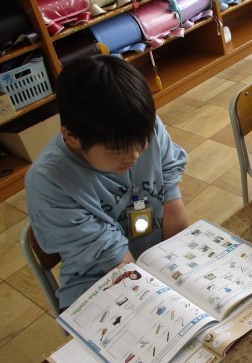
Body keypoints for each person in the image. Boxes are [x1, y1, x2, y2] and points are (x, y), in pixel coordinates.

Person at [25, 55, 189, 310]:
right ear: (72, 137)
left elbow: (173, 208)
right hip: (97, 282)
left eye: (142, 142)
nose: (134, 156)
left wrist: (180, 271)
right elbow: (115, 259)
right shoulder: (50, 180)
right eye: (116, 150)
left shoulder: (141, 126)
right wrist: (166, 297)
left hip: (153, 259)